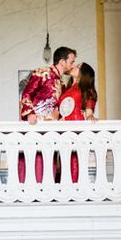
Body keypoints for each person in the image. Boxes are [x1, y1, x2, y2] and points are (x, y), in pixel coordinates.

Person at [19, 46, 77, 182]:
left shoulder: (62, 83)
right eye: (71, 61)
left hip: (51, 128)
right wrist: (29, 114)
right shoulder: (42, 73)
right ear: (62, 62)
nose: (72, 65)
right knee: (34, 157)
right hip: (35, 125)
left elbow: (59, 106)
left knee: (49, 156)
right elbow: (27, 94)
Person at [58, 62, 98, 182]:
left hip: (76, 126)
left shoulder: (86, 88)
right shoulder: (67, 88)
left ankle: (75, 187)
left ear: (84, 73)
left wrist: (90, 115)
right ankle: (66, 188)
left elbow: (89, 105)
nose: (74, 66)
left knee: (75, 159)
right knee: (64, 159)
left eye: (78, 66)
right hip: (63, 128)